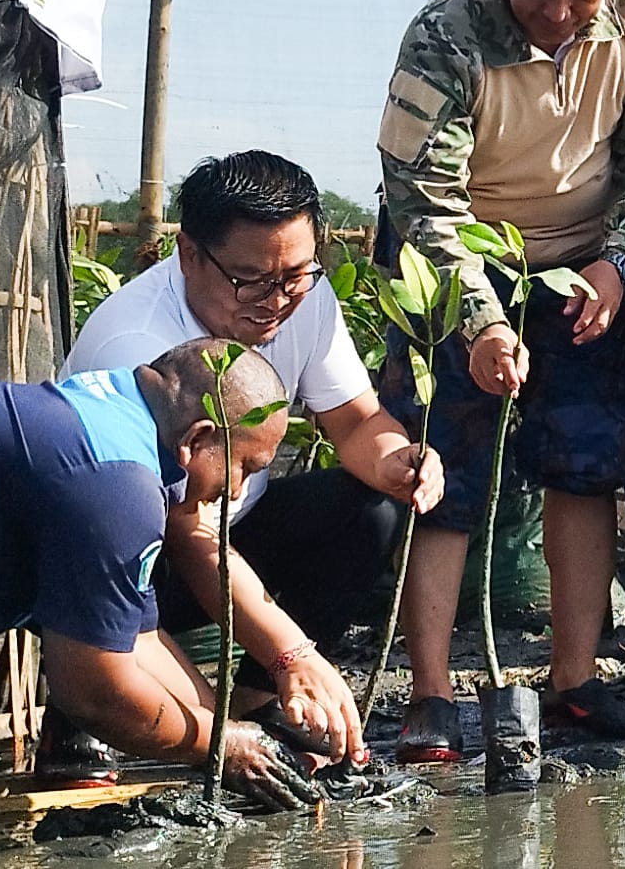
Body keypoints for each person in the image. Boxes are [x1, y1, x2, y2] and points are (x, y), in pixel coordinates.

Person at [376, 0, 625, 759]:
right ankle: (430, 694)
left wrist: (617, 264)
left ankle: (573, 681)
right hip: (456, 259)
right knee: (443, 466)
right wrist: (479, 320)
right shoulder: (443, 37)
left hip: (582, 262)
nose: (556, 12)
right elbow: (425, 202)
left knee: (583, 463)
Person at [0, 340, 322, 869]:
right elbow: (94, 692)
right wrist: (218, 745)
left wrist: (234, 734)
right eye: (244, 466)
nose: (238, 491)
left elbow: (139, 642)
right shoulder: (114, 478)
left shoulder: (120, 432)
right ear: (197, 439)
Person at [61, 150, 443, 772]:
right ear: (189, 255)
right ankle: (85, 714)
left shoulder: (304, 299)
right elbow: (183, 529)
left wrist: (401, 460)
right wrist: (294, 655)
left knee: (366, 510)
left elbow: (356, 423)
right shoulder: (139, 343)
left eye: (296, 275)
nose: (276, 300)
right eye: (250, 281)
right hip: (140, 553)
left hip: (230, 534)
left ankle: (261, 708)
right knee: (124, 600)